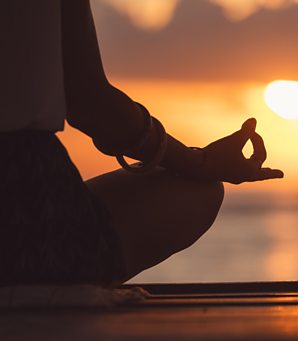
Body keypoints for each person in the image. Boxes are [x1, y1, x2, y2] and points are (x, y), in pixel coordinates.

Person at [0, 0, 283, 286]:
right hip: (26, 211)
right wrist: (200, 163)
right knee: (200, 191)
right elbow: (89, 103)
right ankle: (57, 292)